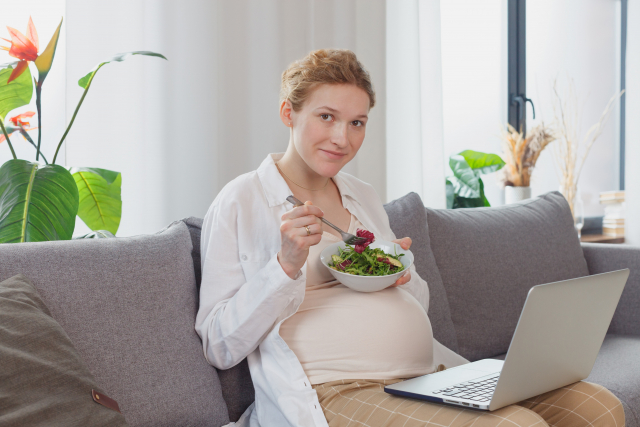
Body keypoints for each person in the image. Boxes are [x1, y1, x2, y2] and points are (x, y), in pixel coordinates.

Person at [195, 49, 624, 427]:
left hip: (427, 376)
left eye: (356, 122)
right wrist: (284, 265)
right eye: (326, 117)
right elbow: (218, 344)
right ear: (289, 113)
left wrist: (403, 273)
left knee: (597, 407)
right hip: (334, 392)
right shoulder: (242, 201)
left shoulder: (361, 196)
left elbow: (416, 302)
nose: (342, 138)